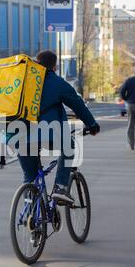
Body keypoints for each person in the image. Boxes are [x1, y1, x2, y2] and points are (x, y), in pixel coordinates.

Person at [16, 50, 100, 205]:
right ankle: (60, 187)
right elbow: (78, 105)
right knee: (69, 145)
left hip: (18, 136)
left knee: (30, 176)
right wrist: (92, 125)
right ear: (54, 67)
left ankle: (29, 212)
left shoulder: (23, 80)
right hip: (48, 134)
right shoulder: (57, 83)